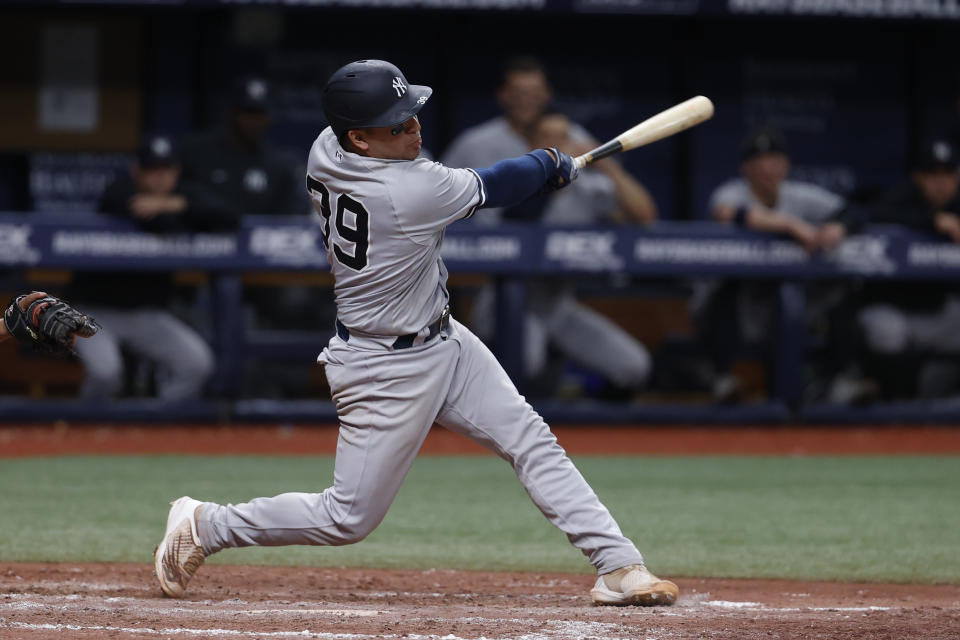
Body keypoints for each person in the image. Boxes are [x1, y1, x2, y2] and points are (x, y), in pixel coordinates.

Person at [154, 59, 678, 608]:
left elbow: (490, 178)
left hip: (444, 339)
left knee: (532, 440)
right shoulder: (408, 192)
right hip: (382, 367)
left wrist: (546, 166)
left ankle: (617, 564)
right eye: (397, 124)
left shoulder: (325, 150)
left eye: (411, 115)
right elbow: (499, 184)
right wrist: (551, 162)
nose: (414, 129)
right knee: (347, 519)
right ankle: (207, 525)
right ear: (358, 136)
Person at [471, 112, 658, 398]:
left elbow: (644, 216)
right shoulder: (510, 176)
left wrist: (608, 166)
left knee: (634, 366)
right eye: (548, 137)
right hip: (508, 303)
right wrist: (553, 174)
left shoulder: (587, 186)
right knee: (526, 363)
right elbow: (519, 218)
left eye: (564, 137)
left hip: (558, 305)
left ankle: (595, 434)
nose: (559, 144)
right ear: (529, 143)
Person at [698, 126, 867, 404]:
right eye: (760, 163)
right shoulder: (733, 192)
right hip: (744, 306)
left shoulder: (799, 194)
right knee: (725, 289)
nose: (768, 169)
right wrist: (789, 224)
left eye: (775, 162)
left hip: (792, 302)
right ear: (745, 169)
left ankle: (838, 380)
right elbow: (726, 212)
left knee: (839, 289)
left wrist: (840, 227)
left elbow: (855, 211)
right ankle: (722, 377)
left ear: (786, 165)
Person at [64, 134, 235, 400]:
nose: (160, 178)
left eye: (166, 170)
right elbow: (163, 226)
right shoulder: (119, 190)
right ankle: (85, 429)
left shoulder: (180, 195)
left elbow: (229, 215)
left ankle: (157, 425)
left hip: (146, 314)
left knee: (196, 363)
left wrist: (170, 204)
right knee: (106, 374)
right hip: (94, 311)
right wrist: (181, 213)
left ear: (176, 171)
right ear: (136, 171)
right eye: (152, 170)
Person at [856, 138, 960, 399]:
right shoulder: (901, 197)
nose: (940, 183)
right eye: (932, 174)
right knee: (887, 330)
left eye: (947, 174)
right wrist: (932, 221)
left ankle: (942, 397)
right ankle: (891, 404)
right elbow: (870, 214)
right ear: (917, 177)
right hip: (892, 308)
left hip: (937, 310)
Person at [441, 56, 593, 223]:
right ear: (503, 95)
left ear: (547, 94)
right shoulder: (473, 143)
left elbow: (612, 201)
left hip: (564, 240)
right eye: (518, 93)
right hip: (485, 242)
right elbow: (436, 198)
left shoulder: (572, 135)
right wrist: (554, 165)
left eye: (534, 93)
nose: (526, 101)